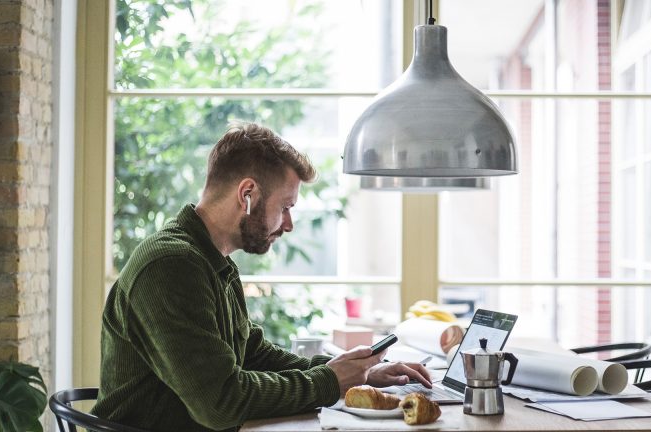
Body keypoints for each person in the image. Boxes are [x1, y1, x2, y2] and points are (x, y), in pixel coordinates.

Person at [92, 123, 432, 432]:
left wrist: (355, 373)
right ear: (247, 195)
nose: (288, 225)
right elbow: (221, 404)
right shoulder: (171, 267)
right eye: (285, 207)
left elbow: (254, 355)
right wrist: (329, 381)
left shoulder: (212, 262)